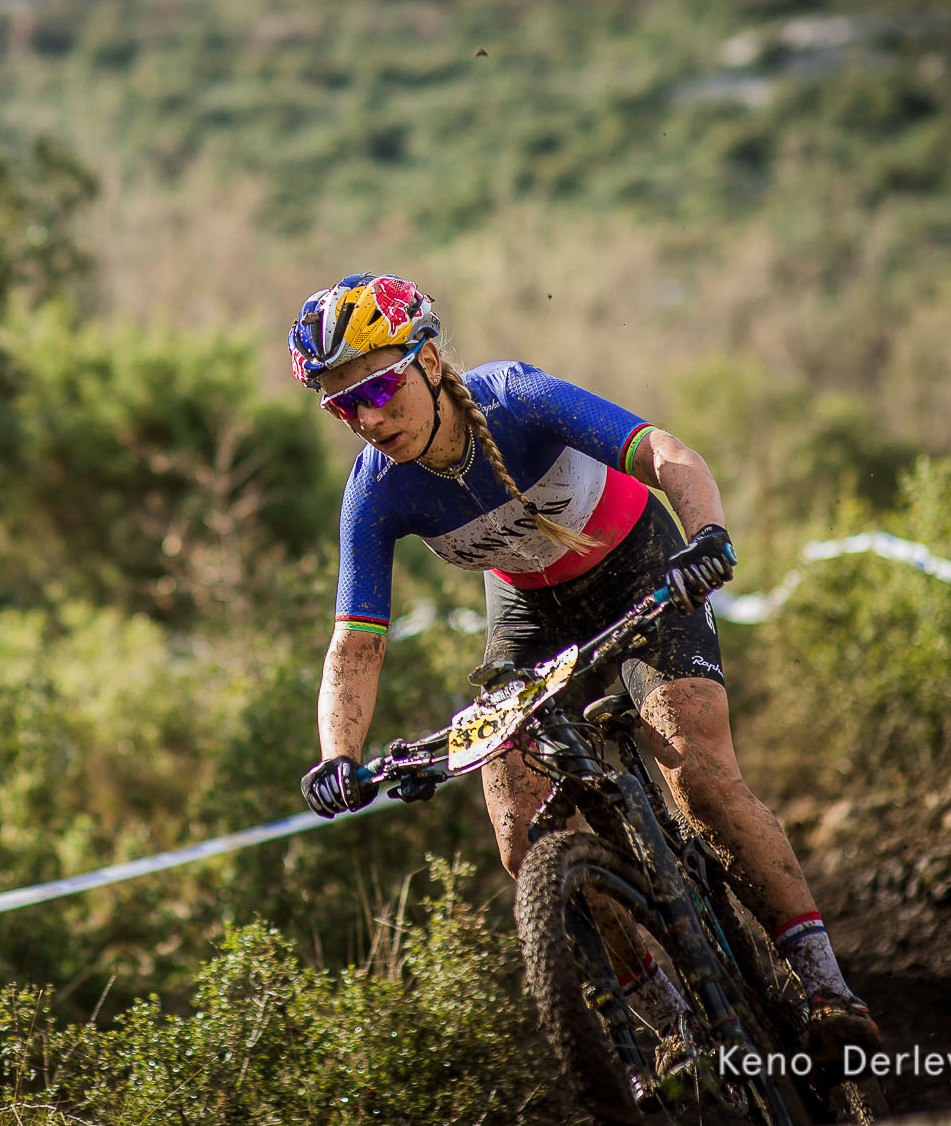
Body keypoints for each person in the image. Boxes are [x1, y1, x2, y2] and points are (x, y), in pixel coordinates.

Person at [289, 272, 879, 1063]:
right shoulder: (374, 492)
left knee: (698, 771)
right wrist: (338, 755)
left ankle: (823, 983)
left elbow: (669, 454)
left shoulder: (518, 399)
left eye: (381, 386)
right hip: (530, 614)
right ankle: (669, 1021)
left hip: (637, 565)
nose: (368, 416)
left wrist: (707, 537)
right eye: (342, 404)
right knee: (520, 833)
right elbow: (355, 644)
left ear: (429, 360)